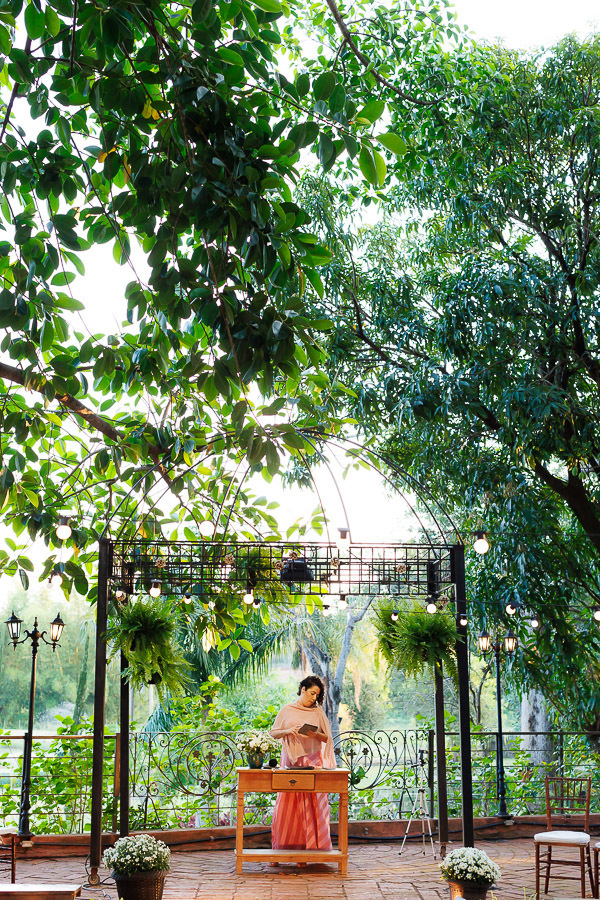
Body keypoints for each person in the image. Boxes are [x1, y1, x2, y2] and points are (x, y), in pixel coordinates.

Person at [269, 675, 336, 859]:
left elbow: (327, 738)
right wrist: (288, 731)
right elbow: (273, 733)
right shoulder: (287, 710)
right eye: (312, 693)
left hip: (313, 762)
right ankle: (286, 848)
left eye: (317, 695)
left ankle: (313, 850)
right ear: (303, 689)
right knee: (289, 805)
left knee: (313, 805)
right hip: (291, 762)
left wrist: (313, 732)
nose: (314, 698)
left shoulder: (317, 712)